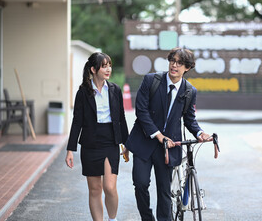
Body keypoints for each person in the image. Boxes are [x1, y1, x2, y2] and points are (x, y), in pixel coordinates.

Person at [124, 47, 211, 221]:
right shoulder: (151, 80)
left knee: (164, 190)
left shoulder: (189, 91)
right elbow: (141, 111)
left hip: (168, 147)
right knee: (140, 184)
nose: (174, 65)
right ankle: (147, 218)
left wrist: (200, 133)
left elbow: (189, 119)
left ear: (187, 68)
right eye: (173, 61)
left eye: (180, 63)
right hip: (144, 141)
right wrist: (158, 135)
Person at [65, 52, 129, 221]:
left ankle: (112, 219)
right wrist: (70, 149)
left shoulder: (115, 90)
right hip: (90, 144)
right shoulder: (83, 93)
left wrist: (127, 144)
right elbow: (77, 121)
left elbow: (121, 117)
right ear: (93, 69)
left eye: (109, 65)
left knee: (109, 187)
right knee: (95, 189)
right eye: (104, 66)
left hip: (110, 142)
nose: (108, 69)